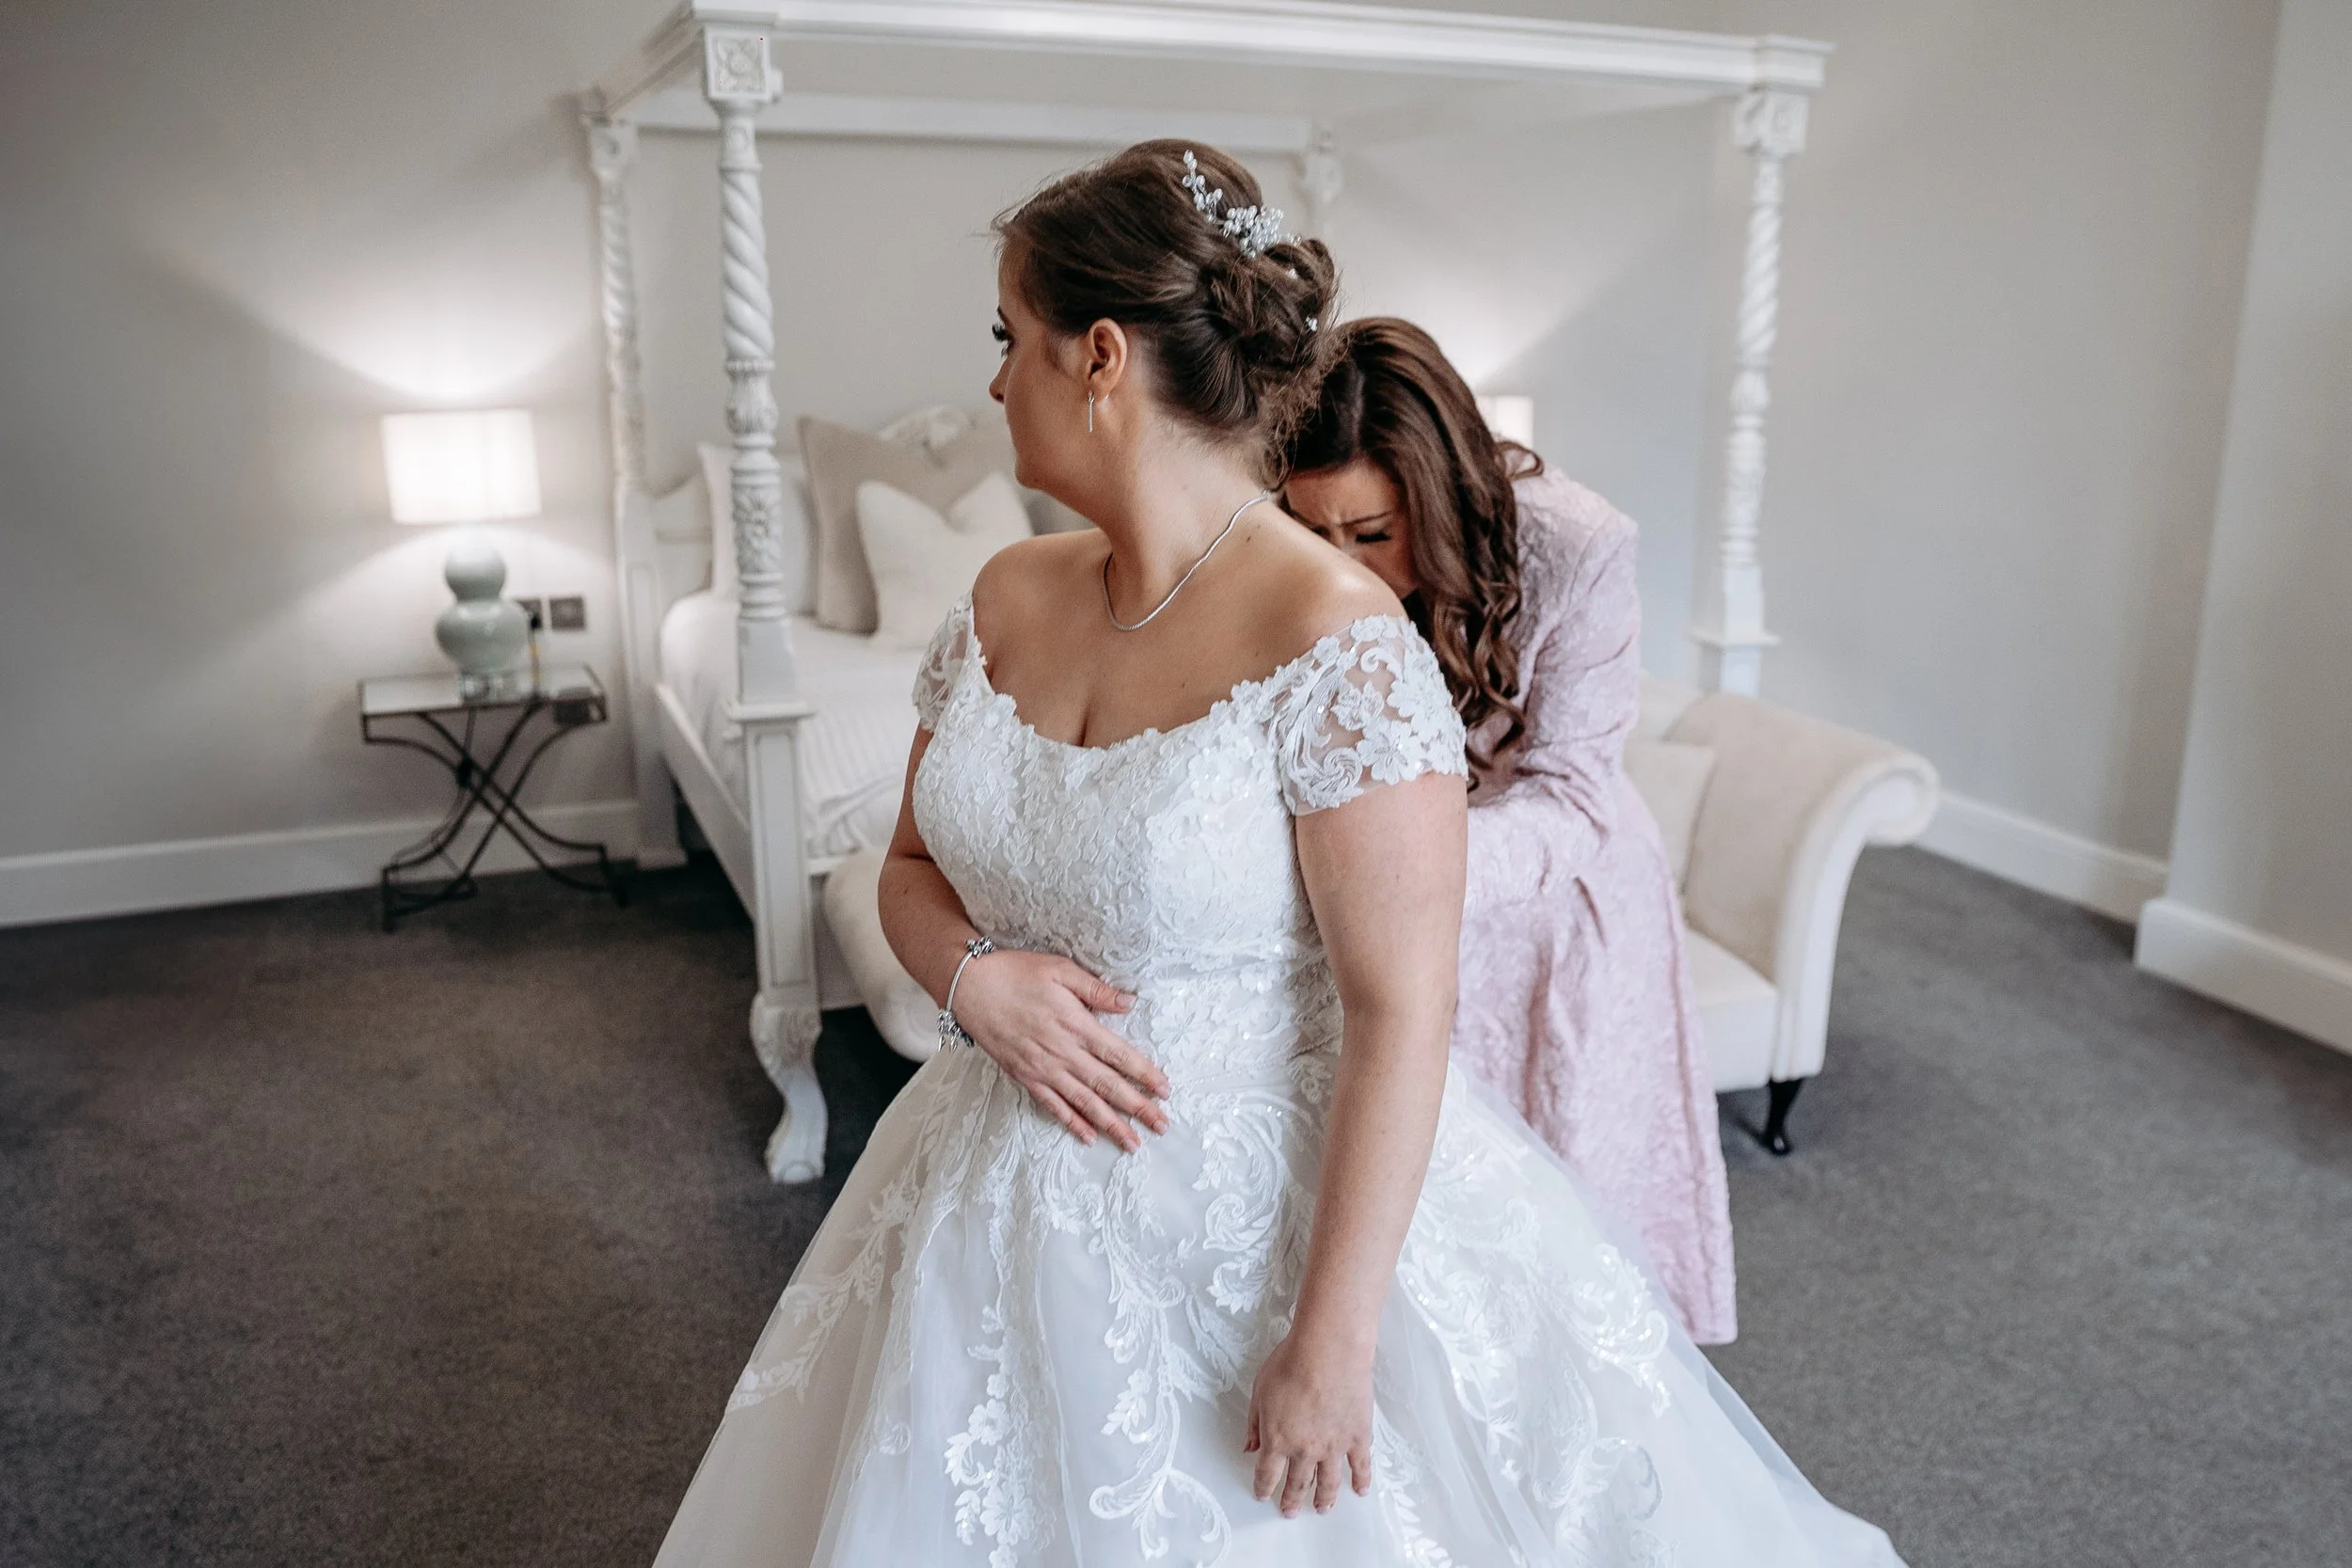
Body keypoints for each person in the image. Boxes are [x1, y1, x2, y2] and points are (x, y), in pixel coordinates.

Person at [649, 142, 1899, 1567]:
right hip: (980, 1178)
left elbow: (1400, 1008)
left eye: (1012, 338)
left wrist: (1333, 1337)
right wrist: (976, 981)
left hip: (1257, 1230)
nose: (997, 379)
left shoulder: (1339, 639)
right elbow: (911, 871)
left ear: (1100, 356)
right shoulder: (1004, 593)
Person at [1283, 319, 1737, 1345]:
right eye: (1313, 530)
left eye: (1372, 533)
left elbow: (1573, 793)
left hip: (1540, 894)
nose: (1341, 569)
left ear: (1436, 502)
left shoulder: (1577, 543)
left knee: (1552, 1231)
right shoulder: (1286, 560)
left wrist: (1396, 862)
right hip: (1378, 876)